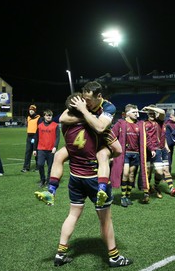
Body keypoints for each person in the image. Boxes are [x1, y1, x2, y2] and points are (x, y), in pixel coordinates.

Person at [52, 94, 133, 267]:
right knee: (105, 220)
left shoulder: (64, 126)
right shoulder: (96, 126)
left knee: (72, 215)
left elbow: (64, 117)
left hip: (75, 177)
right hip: (95, 178)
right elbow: (118, 149)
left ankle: (60, 253)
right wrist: (106, 153)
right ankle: (114, 257)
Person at [35, 82, 121, 206]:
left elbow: (101, 127)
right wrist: (88, 117)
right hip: (85, 137)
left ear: (99, 96)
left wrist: (84, 112)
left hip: (102, 136)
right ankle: (51, 191)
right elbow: (62, 118)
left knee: (109, 153)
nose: (86, 102)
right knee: (58, 155)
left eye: (89, 100)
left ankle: (101, 189)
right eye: (84, 99)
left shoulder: (108, 107)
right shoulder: (83, 102)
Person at [110, 104, 148, 207]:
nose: (137, 114)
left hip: (136, 154)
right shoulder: (121, 123)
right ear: (127, 114)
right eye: (134, 112)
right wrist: (112, 151)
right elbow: (112, 136)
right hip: (125, 153)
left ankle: (128, 196)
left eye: (137, 112)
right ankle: (123, 197)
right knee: (125, 173)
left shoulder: (140, 124)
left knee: (132, 175)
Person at [142, 105, 175, 202]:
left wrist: (166, 146)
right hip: (152, 150)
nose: (152, 115)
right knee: (153, 171)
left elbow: (162, 112)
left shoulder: (160, 121)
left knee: (166, 170)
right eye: (149, 113)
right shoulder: (145, 124)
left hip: (162, 149)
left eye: (153, 113)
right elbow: (146, 138)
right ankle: (150, 188)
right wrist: (151, 148)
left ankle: (170, 189)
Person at [33, 109, 60, 187]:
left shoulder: (55, 125)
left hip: (51, 150)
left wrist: (55, 147)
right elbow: (36, 137)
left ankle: (48, 181)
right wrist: (34, 149)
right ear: (44, 116)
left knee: (50, 167)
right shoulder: (40, 126)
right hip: (41, 149)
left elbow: (58, 137)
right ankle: (42, 180)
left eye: (50, 115)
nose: (49, 117)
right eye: (47, 115)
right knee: (40, 164)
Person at [21, 104, 41, 172]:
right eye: (30, 110)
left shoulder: (39, 118)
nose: (31, 111)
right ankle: (26, 167)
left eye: (32, 110)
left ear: (35, 111)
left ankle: (38, 167)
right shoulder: (28, 118)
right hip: (29, 137)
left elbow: (39, 128)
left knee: (36, 152)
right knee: (27, 152)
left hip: (35, 136)